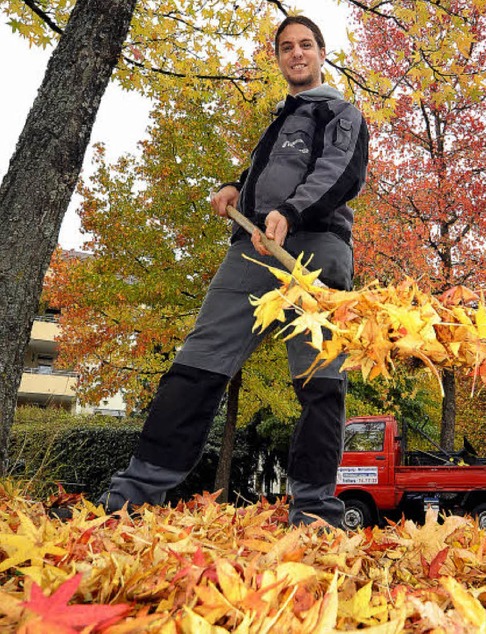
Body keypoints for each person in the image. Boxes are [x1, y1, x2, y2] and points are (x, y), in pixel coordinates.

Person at [97, 15, 369, 528]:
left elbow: (339, 174)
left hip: (315, 254)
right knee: (199, 362)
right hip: (251, 249)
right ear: (279, 58)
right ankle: (133, 498)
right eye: (286, 47)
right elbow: (265, 175)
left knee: (322, 383)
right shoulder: (280, 119)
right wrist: (235, 188)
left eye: (306, 45)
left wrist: (290, 213)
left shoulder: (341, 111)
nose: (296, 54)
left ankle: (315, 511)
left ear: (321, 53)